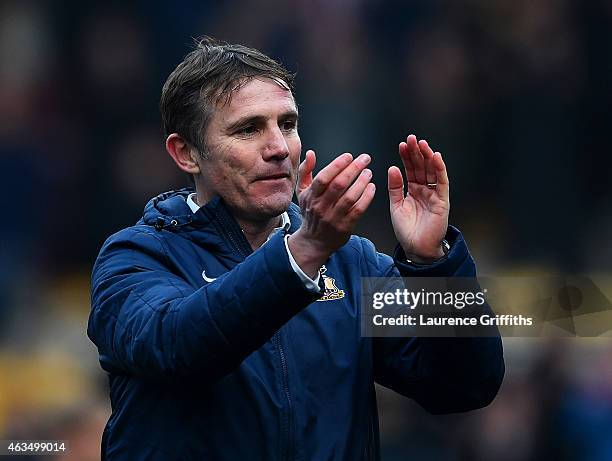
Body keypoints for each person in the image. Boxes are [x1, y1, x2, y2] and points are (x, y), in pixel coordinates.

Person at [88, 37, 504, 460]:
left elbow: (465, 386)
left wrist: (432, 263)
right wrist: (302, 254)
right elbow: (179, 347)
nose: (279, 148)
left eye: (287, 124)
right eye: (248, 129)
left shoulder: (350, 263)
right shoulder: (136, 258)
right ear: (186, 153)